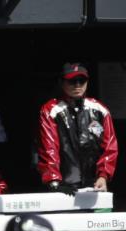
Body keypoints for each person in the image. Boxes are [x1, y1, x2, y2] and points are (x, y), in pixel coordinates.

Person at [38, 63, 118, 195]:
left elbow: (110, 146)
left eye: (82, 80)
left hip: (96, 184)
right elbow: (48, 148)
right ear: (61, 83)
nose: (77, 85)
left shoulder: (99, 110)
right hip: (64, 187)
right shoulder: (51, 110)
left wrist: (103, 176)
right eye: (72, 81)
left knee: (99, 214)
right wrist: (54, 181)